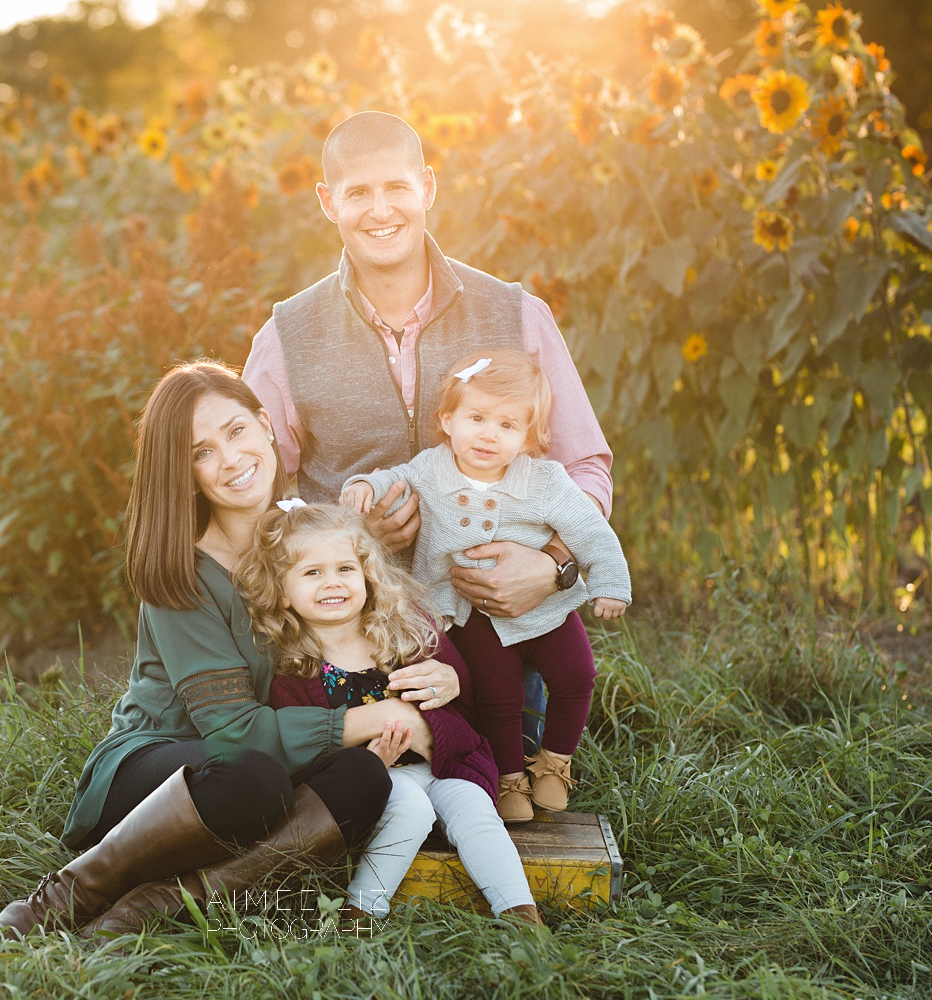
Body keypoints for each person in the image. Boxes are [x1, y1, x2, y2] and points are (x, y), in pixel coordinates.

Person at [0, 360, 464, 939]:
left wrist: (442, 678)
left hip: (270, 761)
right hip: (165, 777)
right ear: (186, 475)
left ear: (265, 425)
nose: (231, 459)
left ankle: (152, 909)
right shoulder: (181, 575)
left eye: (236, 431)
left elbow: (377, 628)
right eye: (201, 452)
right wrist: (377, 717)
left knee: (364, 779)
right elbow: (232, 733)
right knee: (250, 777)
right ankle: (65, 895)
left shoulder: (311, 538)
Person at [241, 109, 613, 726]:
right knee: (381, 802)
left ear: (429, 188)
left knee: (502, 791)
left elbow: (585, 465)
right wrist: (348, 537)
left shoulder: (516, 313)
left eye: (397, 188)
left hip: (506, 633)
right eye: (358, 193)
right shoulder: (286, 336)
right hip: (355, 650)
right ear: (328, 202)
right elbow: (247, 498)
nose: (380, 210)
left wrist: (554, 565)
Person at [341, 352, 631, 822]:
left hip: (546, 606)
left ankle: (556, 764)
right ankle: (510, 778)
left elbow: (588, 528)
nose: (489, 434)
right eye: (476, 418)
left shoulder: (544, 480)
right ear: (448, 420)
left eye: (507, 425)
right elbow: (392, 478)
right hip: (474, 611)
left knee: (577, 673)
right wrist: (363, 486)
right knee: (498, 695)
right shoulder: (432, 468)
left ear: (528, 437)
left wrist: (611, 583)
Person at [239, 501, 542, 923]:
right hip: (382, 779)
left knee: (476, 810)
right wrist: (367, 763)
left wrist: (448, 686)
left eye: (345, 569)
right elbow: (305, 754)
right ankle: (362, 909)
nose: (333, 583)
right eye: (313, 573)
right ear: (283, 592)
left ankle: (518, 911)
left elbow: (461, 703)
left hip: (441, 764)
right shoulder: (293, 669)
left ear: (366, 573)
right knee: (410, 809)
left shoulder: (405, 631)